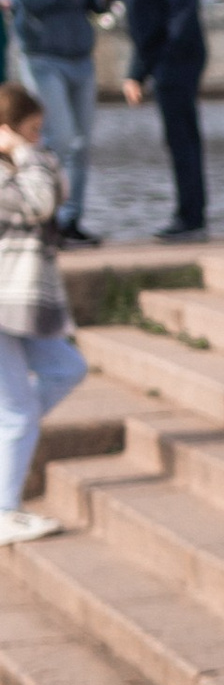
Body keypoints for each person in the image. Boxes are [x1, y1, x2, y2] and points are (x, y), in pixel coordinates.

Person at [0, 0, 117, 247]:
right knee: (58, 136)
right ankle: (44, 216)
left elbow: (95, 7)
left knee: (82, 144)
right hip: (43, 59)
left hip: (80, 60)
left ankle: (70, 222)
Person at [0, 79, 83, 542]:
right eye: (30, 130)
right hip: (4, 303)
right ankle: (4, 510)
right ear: (6, 129)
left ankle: (8, 441)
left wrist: (30, 154)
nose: (39, 138)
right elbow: (37, 204)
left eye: (39, 130)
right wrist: (26, 157)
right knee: (15, 415)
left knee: (68, 368)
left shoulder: (29, 161)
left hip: (24, 301)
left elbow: (60, 191)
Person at [113, 0, 210, 242]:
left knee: (182, 137)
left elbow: (180, 16)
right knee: (177, 138)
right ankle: (188, 214)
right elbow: (148, 24)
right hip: (162, 61)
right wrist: (137, 71)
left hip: (177, 60)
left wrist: (157, 64)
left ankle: (191, 217)